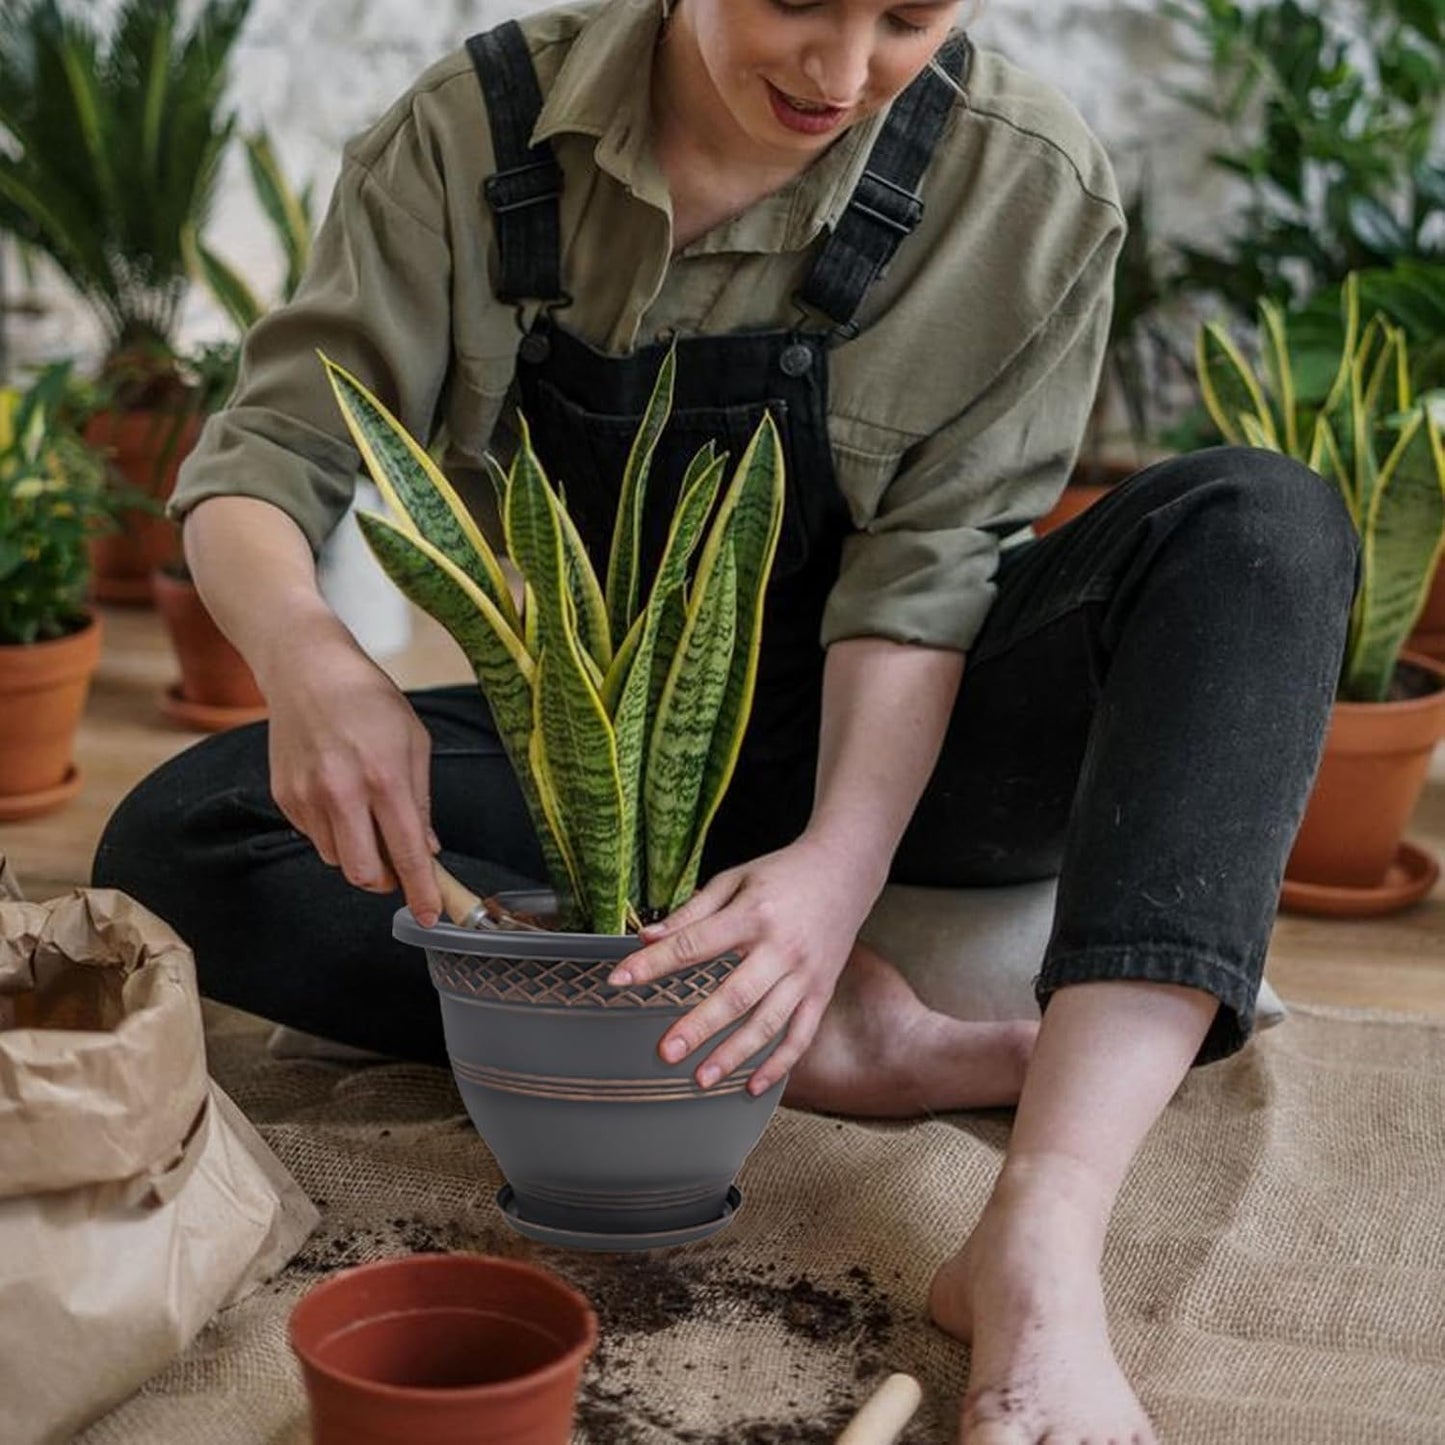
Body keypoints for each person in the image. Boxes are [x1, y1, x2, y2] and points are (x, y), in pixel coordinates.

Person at [93, 0, 1358, 1439]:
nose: (838, 72)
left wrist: (838, 866)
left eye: (904, 17)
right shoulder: (469, 133)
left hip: (919, 739)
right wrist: (313, 660)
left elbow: (926, 579)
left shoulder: (1022, 181)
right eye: (795, 1)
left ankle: (1038, 1236)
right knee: (181, 837)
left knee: (1260, 522)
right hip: (603, 782)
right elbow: (264, 457)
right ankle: (842, 1045)